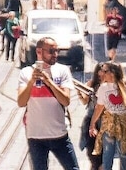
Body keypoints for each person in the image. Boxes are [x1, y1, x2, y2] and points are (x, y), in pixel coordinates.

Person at [18, 37, 81, 170]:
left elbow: (66, 100)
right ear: (39, 51)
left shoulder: (62, 70)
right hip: (35, 136)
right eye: (51, 51)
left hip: (59, 134)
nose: (55, 54)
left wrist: (49, 82)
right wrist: (31, 82)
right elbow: (21, 102)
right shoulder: (26, 72)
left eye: (56, 50)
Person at [89, 62, 126, 170]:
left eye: (105, 71)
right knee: (107, 153)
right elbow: (99, 107)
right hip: (109, 124)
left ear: (113, 73)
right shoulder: (103, 87)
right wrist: (92, 124)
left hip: (125, 123)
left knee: (124, 152)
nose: (102, 73)